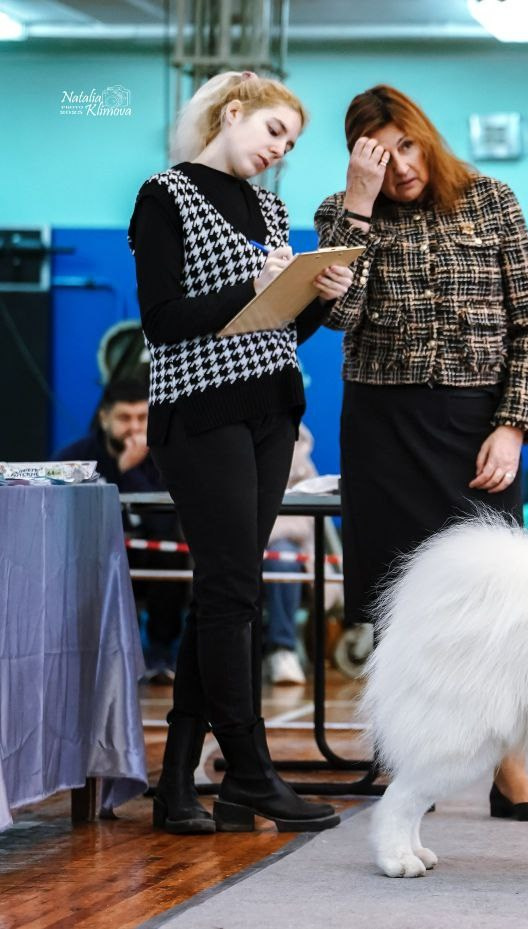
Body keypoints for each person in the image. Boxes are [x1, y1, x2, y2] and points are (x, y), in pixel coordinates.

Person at [314, 84, 528, 824]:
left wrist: (514, 426)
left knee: (499, 600)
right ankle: (405, 764)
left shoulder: (491, 200)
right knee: (399, 605)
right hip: (383, 428)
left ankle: (509, 767)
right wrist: (359, 207)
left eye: (407, 147)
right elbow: (338, 315)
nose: (400, 168)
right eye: (378, 157)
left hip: (477, 427)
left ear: (426, 136)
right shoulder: (339, 214)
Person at [131, 71, 352, 834]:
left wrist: (317, 293)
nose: (279, 151)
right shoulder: (164, 195)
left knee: (223, 593)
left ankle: (177, 785)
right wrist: (252, 284)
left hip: (270, 410)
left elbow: (278, 327)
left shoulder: (270, 208)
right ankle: (250, 771)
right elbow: (161, 319)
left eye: (290, 143)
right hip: (199, 411)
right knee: (234, 592)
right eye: (273, 132)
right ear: (232, 114)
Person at [56, 377, 189, 682]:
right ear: (104, 418)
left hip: (147, 558)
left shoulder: (166, 459)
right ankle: (83, 652)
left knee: (170, 551)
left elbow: (165, 524)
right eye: (124, 418)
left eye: (142, 417)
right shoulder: (75, 459)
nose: (134, 428)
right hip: (91, 558)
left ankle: (160, 652)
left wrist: (129, 472)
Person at [261, 423, 320, 687]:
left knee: (282, 559)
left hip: (279, 547)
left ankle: (282, 649)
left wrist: (259, 534)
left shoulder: (300, 462)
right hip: (235, 543)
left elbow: (304, 522)